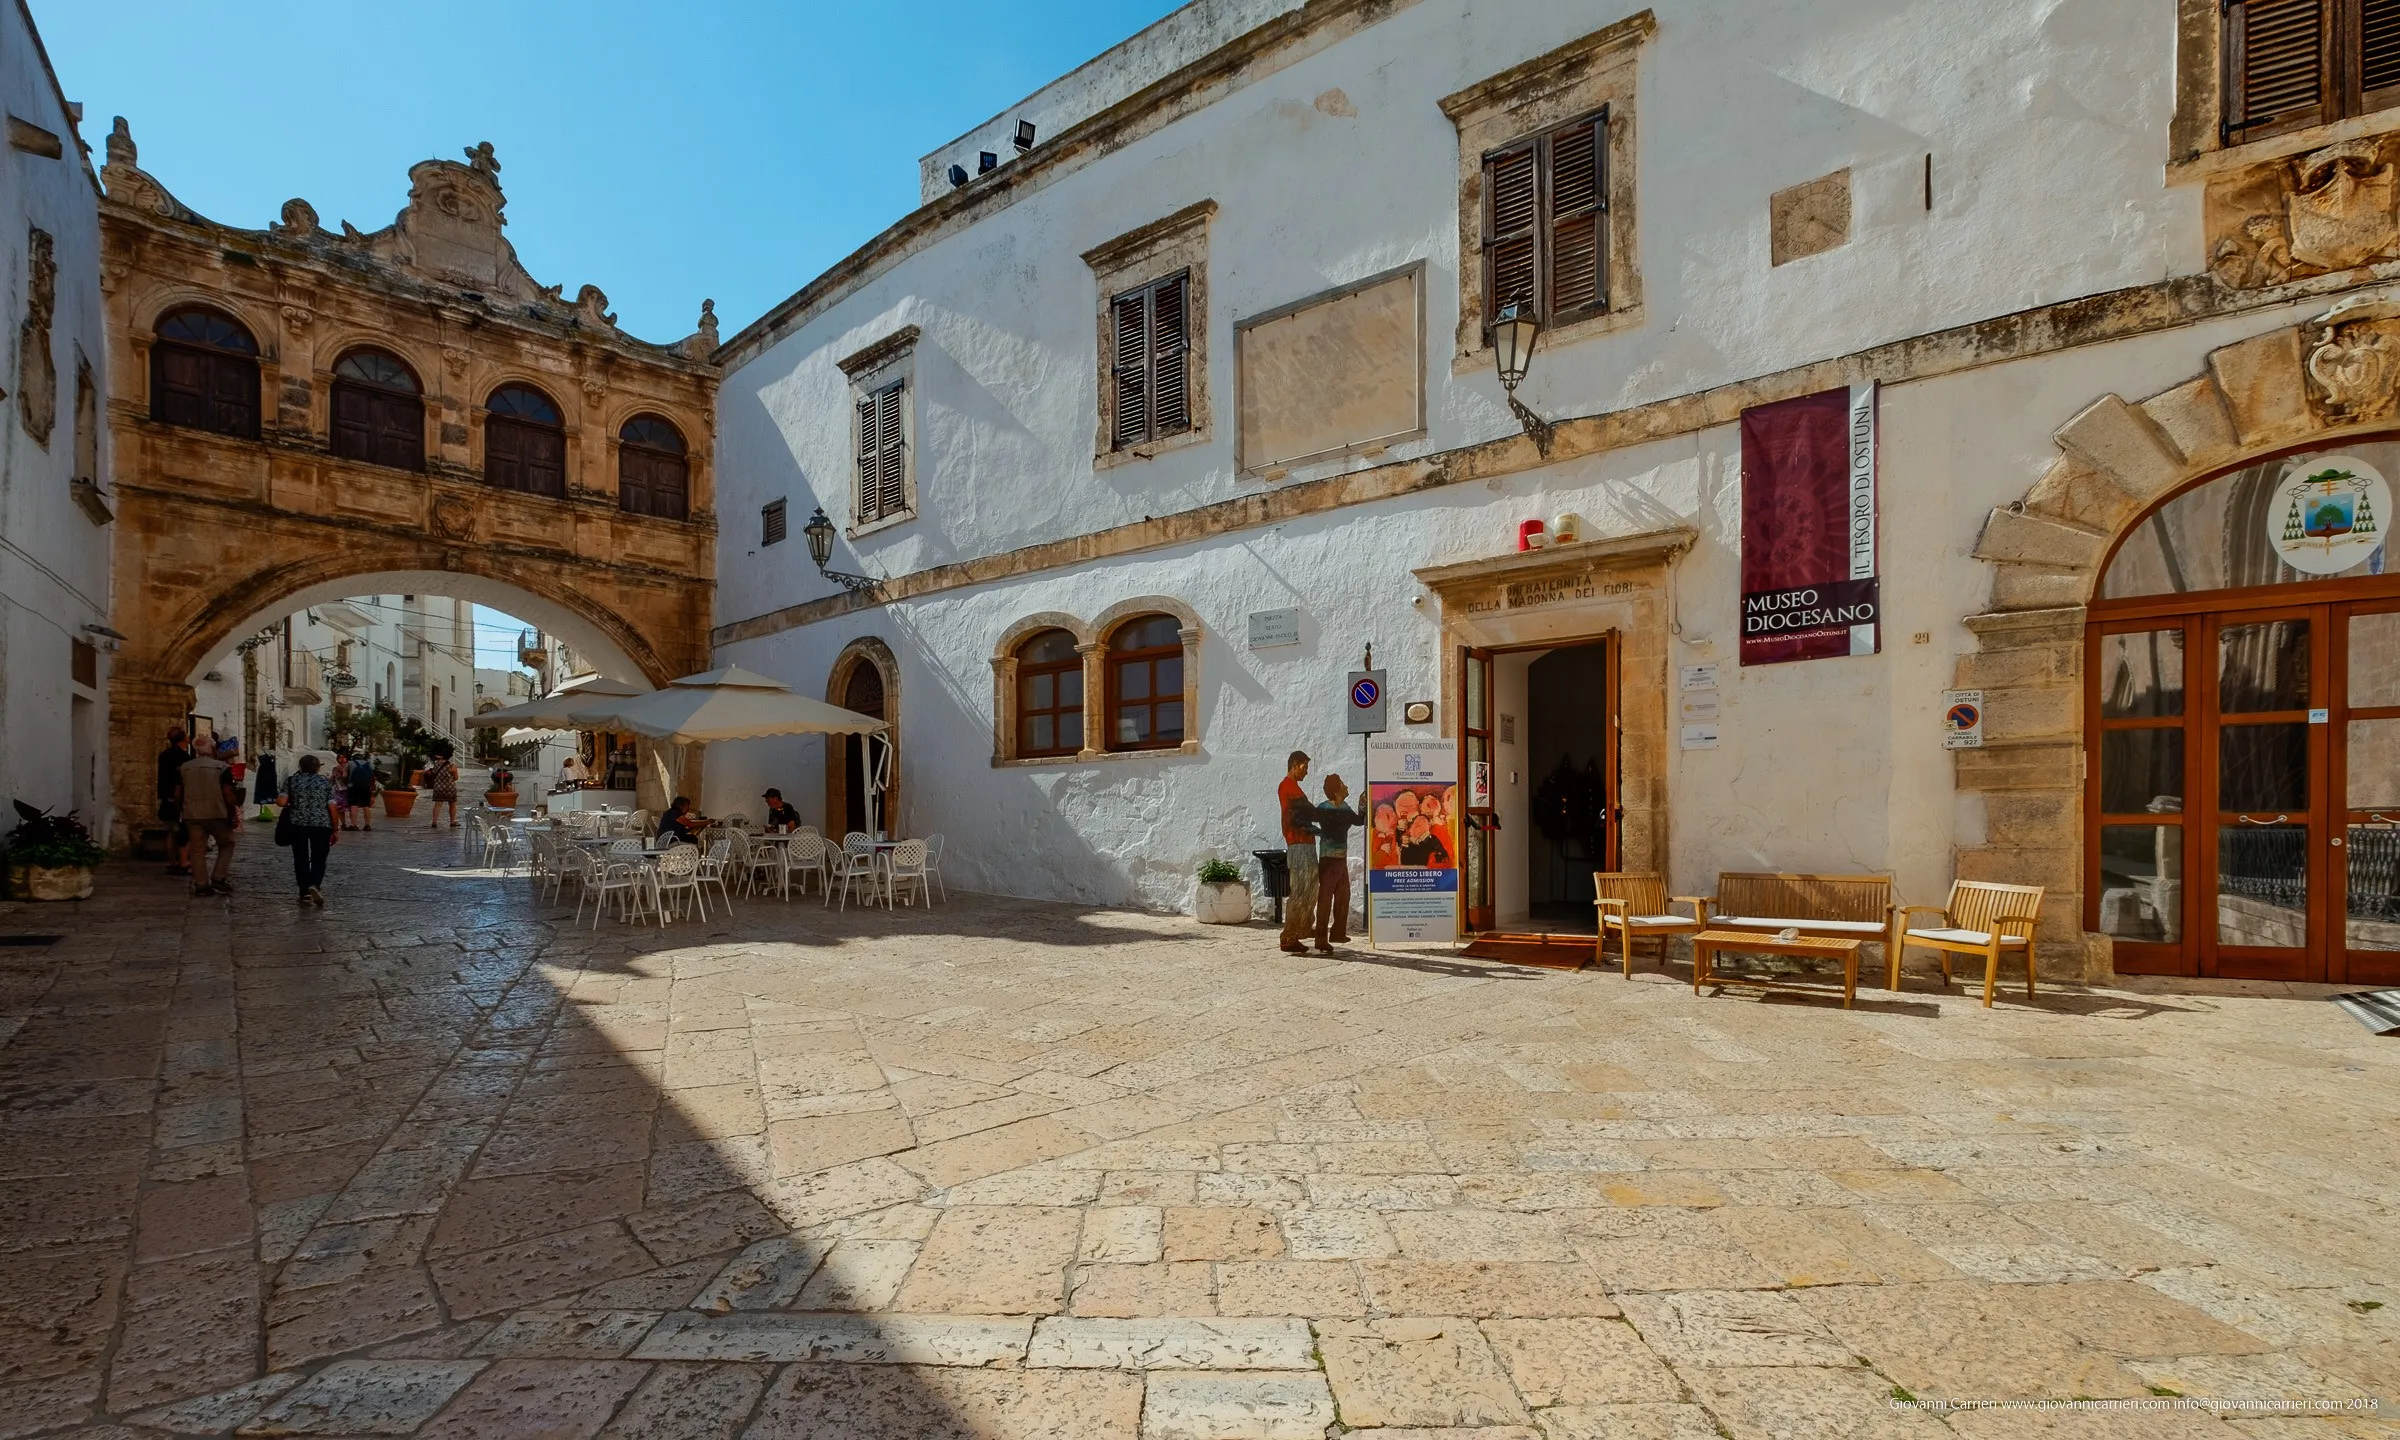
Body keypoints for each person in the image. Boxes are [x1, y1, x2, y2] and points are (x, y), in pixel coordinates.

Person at [176, 739, 242, 896]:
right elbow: (227, 794)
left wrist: (181, 810)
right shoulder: (222, 767)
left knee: (197, 850)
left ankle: (201, 885)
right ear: (212, 749)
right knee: (227, 843)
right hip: (216, 813)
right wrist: (232, 814)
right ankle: (219, 877)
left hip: (192, 814)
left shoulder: (184, 768)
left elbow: (178, 793)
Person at [1312, 773, 1365, 951]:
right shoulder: (1324, 808)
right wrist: (1318, 833)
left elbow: (1359, 820)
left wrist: (1363, 802)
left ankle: (1338, 932)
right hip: (1328, 859)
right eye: (1343, 784)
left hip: (1340, 858)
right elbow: (1305, 819)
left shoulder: (1345, 807)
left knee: (1344, 895)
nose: (1347, 787)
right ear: (1336, 790)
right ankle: (1320, 938)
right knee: (1325, 898)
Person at [1276, 751, 1320, 955]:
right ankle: (1289, 936)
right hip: (1298, 844)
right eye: (1304, 767)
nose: (1306, 772)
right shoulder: (1288, 787)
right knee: (1301, 890)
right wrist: (1326, 817)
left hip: (1306, 843)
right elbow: (1305, 810)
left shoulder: (1295, 788)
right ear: (1294, 764)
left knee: (1311, 887)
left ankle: (1302, 927)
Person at [279, 754, 337, 906]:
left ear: (300, 767)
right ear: (318, 768)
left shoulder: (292, 781)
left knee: (300, 858)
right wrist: (335, 828)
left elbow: (281, 801)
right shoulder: (325, 783)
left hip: (298, 824)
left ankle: (304, 892)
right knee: (319, 857)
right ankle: (315, 885)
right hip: (322, 824)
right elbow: (332, 806)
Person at [156, 725, 192, 876]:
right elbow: (180, 782)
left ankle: (171, 862)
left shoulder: (164, 754)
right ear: (184, 739)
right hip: (179, 799)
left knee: (170, 831)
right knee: (184, 831)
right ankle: (183, 862)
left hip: (165, 797)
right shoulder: (184, 758)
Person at [424, 750, 459, 829]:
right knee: (452, 804)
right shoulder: (452, 765)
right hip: (450, 788)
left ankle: (434, 822)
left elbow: (433, 773)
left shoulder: (436, 764)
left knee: (438, 804)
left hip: (438, 787)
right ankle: (452, 821)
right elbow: (456, 778)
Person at [344, 751, 377, 831]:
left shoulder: (350, 763)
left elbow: (344, 775)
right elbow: (373, 776)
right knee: (366, 805)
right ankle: (367, 825)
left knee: (353, 805)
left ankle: (353, 824)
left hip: (353, 786)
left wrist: (346, 783)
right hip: (366, 787)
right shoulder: (369, 764)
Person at [329, 749, 351, 830]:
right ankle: (343, 824)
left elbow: (331, 779)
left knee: (348, 808)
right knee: (340, 809)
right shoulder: (336, 768)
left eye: (343, 757)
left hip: (346, 790)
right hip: (339, 791)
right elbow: (332, 779)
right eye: (340, 757)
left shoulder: (348, 768)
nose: (342, 759)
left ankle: (351, 824)